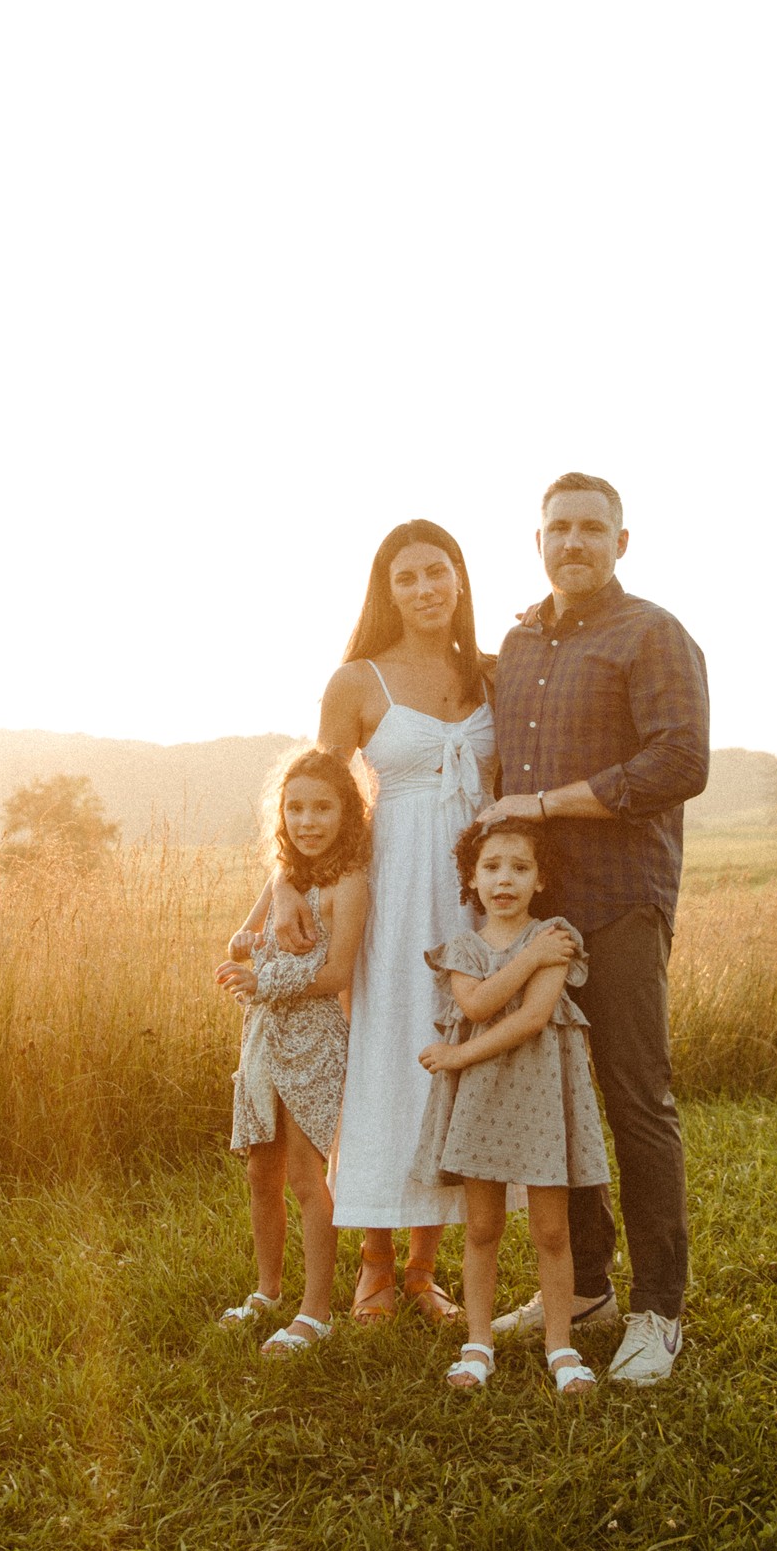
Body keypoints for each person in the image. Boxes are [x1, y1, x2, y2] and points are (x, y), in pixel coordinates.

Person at [479, 472, 709, 1384]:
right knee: (554, 1100)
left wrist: (547, 804)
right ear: (537, 540)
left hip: (620, 900)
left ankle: (658, 1310)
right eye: (557, 528)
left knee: (633, 1100)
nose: (572, 541)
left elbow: (679, 761)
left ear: (621, 540)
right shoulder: (517, 641)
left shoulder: (651, 633)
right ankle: (582, 1291)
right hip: (535, 914)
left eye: (589, 528)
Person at [271, 520, 497, 1323]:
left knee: (453, 1057)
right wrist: (290, 885)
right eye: (407, 577)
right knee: (384, 1056)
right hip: (391, 889)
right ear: (387, 591)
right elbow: (319, 794)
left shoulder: (491, 674)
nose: (425, 588)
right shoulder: (356, 681)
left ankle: (423, 1269)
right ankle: (372, 1259)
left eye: (437, 571)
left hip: (473, 893)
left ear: (459, 579)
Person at [412, 816, 610, 1397]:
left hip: (541, 1100)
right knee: (482, 1226)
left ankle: (560, 1345)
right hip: (481, 1100)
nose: (505, 879)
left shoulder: (555, 937)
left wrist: (456, 1055)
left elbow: (531, 1017)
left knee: (551, 1229)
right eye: (492, 867)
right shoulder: (463, 949)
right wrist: (526, 960)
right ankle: (478, 1343)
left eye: (520, 868)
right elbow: (475, 1005)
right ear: (471, 879)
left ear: (540, 879)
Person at [214, 748, 369, 1353]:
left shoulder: (348, 882)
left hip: (314, 1038)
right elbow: (244, 939)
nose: (307, 821)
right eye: (295, 807)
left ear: (347, 812)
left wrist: (264, 980)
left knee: (306, 1173)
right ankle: (267, 1291)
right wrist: (246, 941)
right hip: (262, 1035)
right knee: (261, 1169)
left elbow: (337, 973)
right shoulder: (284, 876)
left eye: (322, 808)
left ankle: (316, 1311)